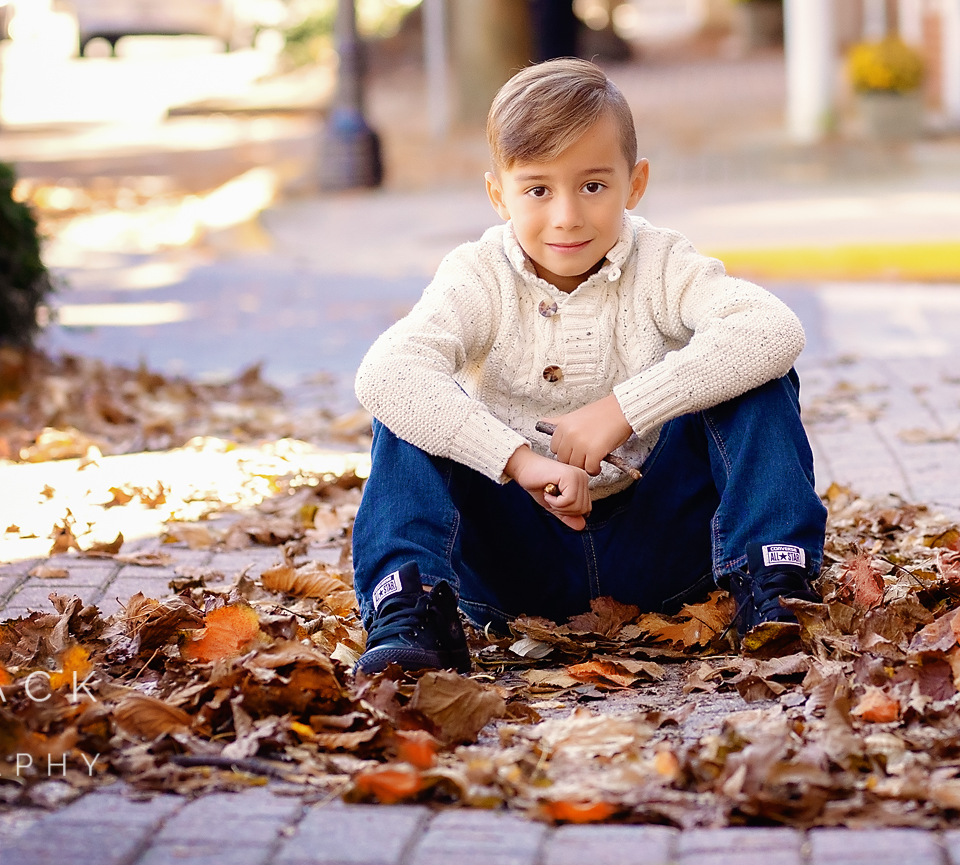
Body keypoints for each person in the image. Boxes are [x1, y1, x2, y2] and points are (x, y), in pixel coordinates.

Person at [350, 58, 826, 675]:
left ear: (635, 183)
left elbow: (773, 328)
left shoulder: (660, 263)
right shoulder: (479, 276)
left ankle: (773, 586)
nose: (567, 215)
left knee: (752, 371)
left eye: (593, 186)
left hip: (661, 549)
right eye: (538, 190)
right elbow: (384, 374)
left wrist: (622, 411)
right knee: (412, 404)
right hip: (514, 557)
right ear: (499, 194)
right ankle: (410, 615)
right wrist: (518, 462)